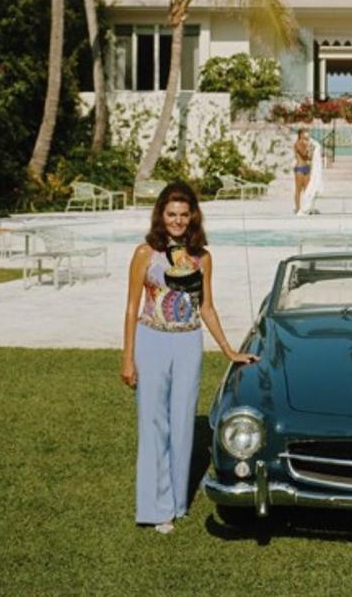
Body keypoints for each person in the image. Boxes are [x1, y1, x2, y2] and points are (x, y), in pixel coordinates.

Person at [120, 180, 257, 534]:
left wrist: (228, 349)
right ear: (160, 216)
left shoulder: (202, 258)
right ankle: (154, 507)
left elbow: (206, 307)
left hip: (187, 344)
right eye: (171, 214)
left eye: (183, 214)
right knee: (153, 424)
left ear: (192, 216)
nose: (177, 221)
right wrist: (128, 358)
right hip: (151, 341)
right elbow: (133, 307)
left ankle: (177, 503)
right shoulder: (144, 254)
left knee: (182, 425)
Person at [293, 127, 313, 213]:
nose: (307, 135)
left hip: (306, 168)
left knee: (307, 189)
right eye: (305, 133)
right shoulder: (297, 143)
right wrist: (309, 147)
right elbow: (303, 154)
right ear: (301, 134)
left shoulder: (305, 144)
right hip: (300, 168)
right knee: (298, 189)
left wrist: (311, 150)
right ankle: (297, 208)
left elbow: (309, 157)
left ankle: (306, 207)